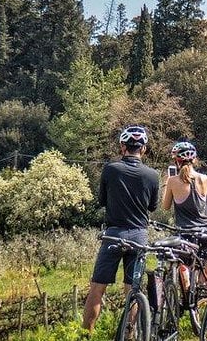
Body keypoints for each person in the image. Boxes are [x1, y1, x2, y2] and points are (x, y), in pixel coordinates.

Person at [82, 125, 159, 333]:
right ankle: (129, 334)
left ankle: (85, 334)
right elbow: (152, 207)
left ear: (122, 147)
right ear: (143, 149)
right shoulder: (153, 175)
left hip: (114, 234)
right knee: (132, 290)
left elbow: (102, 200)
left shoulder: (110, 169)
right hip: (139, 235)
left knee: (97, 288)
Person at [161, 141, 207, 228]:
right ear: (194, 159)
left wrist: (166, 184)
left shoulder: (172, 181)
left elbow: (166, 207)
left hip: (187, 230)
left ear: (177, 161)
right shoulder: (204, 178)